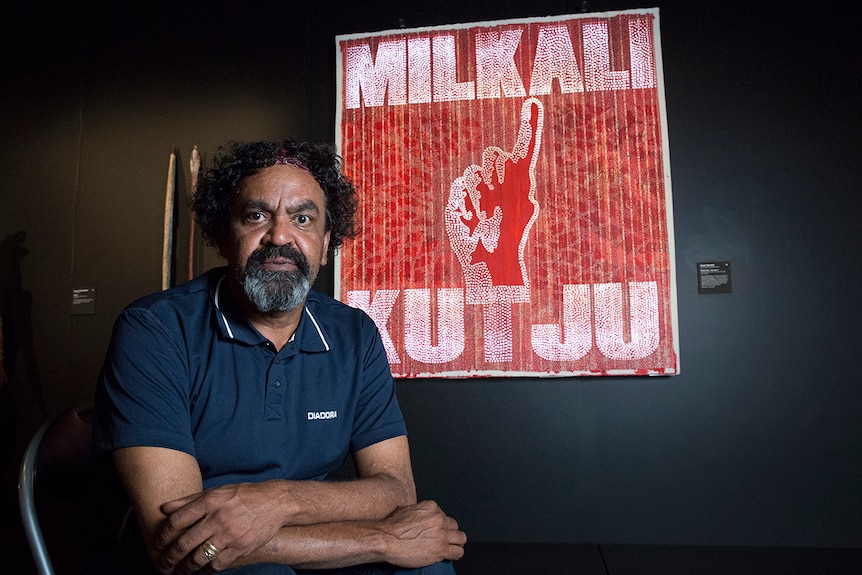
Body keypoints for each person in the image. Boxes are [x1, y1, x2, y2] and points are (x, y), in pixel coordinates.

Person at [92, 139, 466, 575]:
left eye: (303, 219)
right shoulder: (154, 330)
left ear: (325, 245)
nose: (280, 236)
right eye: (256, 216)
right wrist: (382, 539)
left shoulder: (354, 335)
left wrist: (274, 502)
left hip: (301, 529)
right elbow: (178, 543)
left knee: (427, 567)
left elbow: (396, 490)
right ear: (225, 236)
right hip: (193, 563)